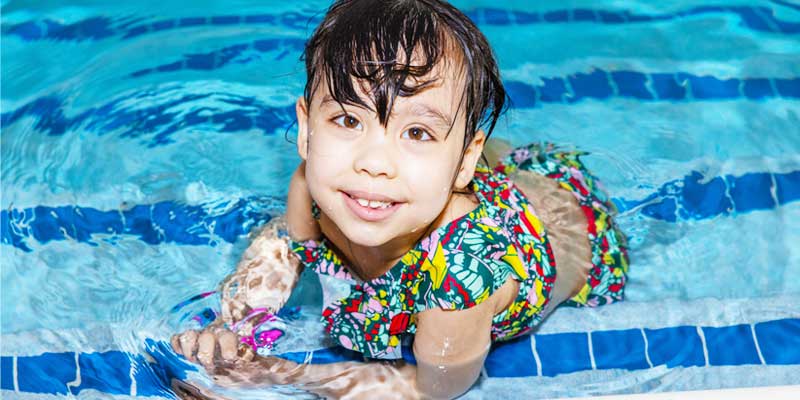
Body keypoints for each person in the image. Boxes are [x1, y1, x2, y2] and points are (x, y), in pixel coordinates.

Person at [171, 0, 629, 398]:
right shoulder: (317, 182)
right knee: (431, 154)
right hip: (470, 187)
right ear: (307, 129)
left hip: (575, 226)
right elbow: (283, 242)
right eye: (349, 121)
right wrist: (235, 326)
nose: (373, 162)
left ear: (464, 163)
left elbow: (431, 388)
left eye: (415, 131)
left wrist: (281, 374)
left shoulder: (460, 285)